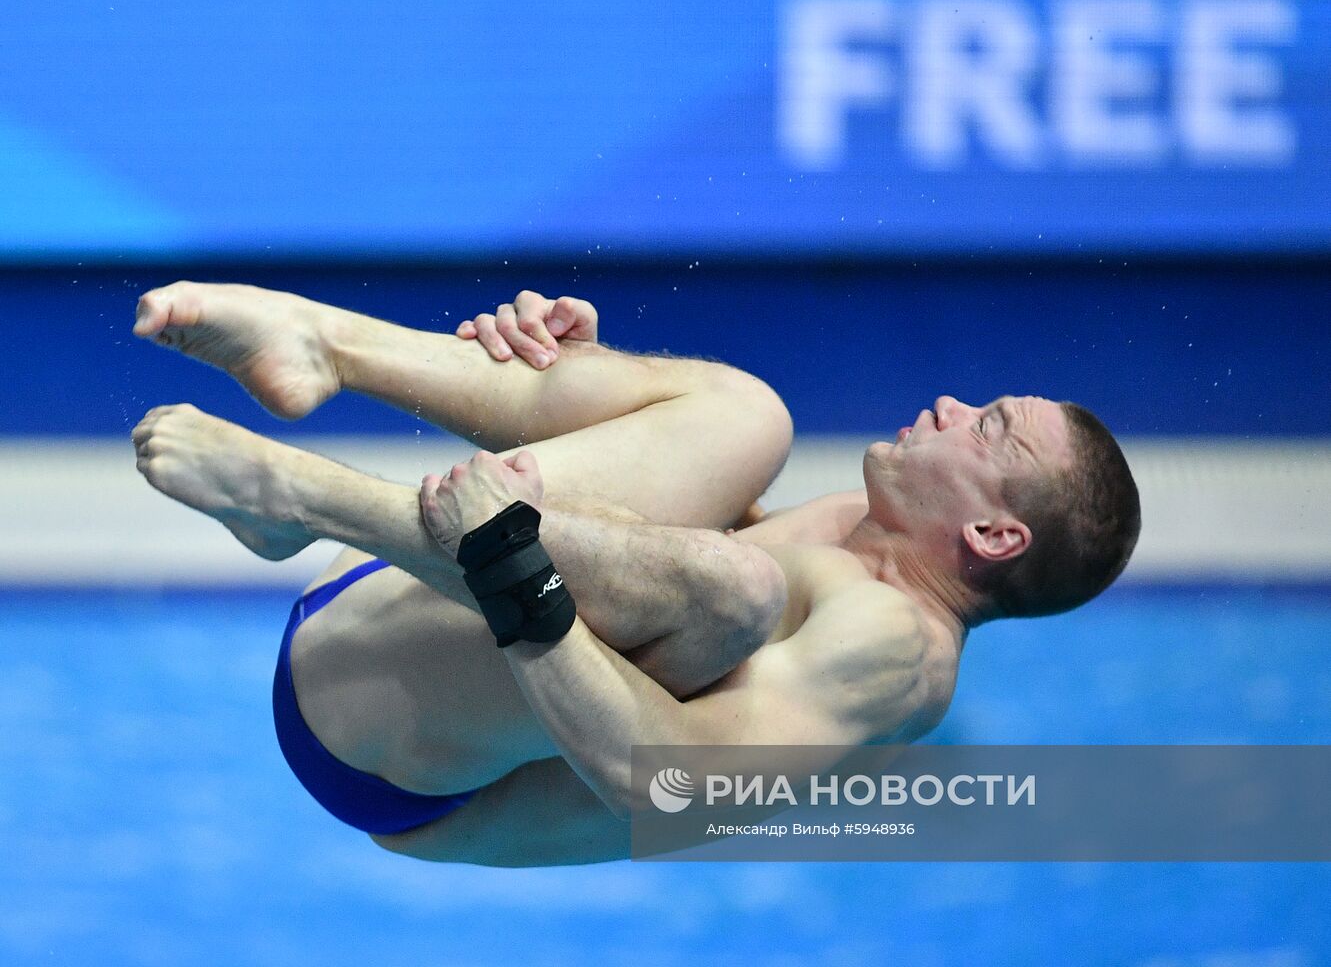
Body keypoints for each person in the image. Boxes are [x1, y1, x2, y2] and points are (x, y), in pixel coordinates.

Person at [130, 281, 1140, 866]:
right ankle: (326, 346)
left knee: (729, 590)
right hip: (390, 597)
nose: (954, 403)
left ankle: (300, 497)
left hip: (375, 742)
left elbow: (651, 779)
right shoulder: (855, 526)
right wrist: (594, 386)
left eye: (989, 428)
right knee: (749, 417)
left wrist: (512, 558)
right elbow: (641, 546)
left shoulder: (893, 656)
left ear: (994, 537)